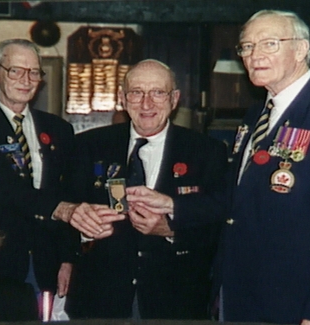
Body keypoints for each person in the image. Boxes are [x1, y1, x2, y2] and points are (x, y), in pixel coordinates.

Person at [65, 59, 228, 320]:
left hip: (175, 302)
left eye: (157, 93)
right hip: (98, 300)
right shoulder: (88, 145)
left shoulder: (207, 152)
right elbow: (63, 214)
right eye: (137, 92)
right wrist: (82, 234)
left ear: (174, 99)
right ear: (122, 98)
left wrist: (171, 230)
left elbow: (219, 226)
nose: (146, 103)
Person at [215, 9, 310, 325]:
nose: (254, 55)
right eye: (246, 46)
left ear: (301, 49)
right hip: (241, 295)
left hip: (292, 302)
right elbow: (239, 205)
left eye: (269, 43)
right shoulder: (256, 115)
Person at [0, 38, 81, 321]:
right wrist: (61, 208)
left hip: (44, 261)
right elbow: (2, 186)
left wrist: (68, 257)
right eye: (16, 70)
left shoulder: (59, 130)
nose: (26, 80)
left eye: (34, 72)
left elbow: (69, 192)